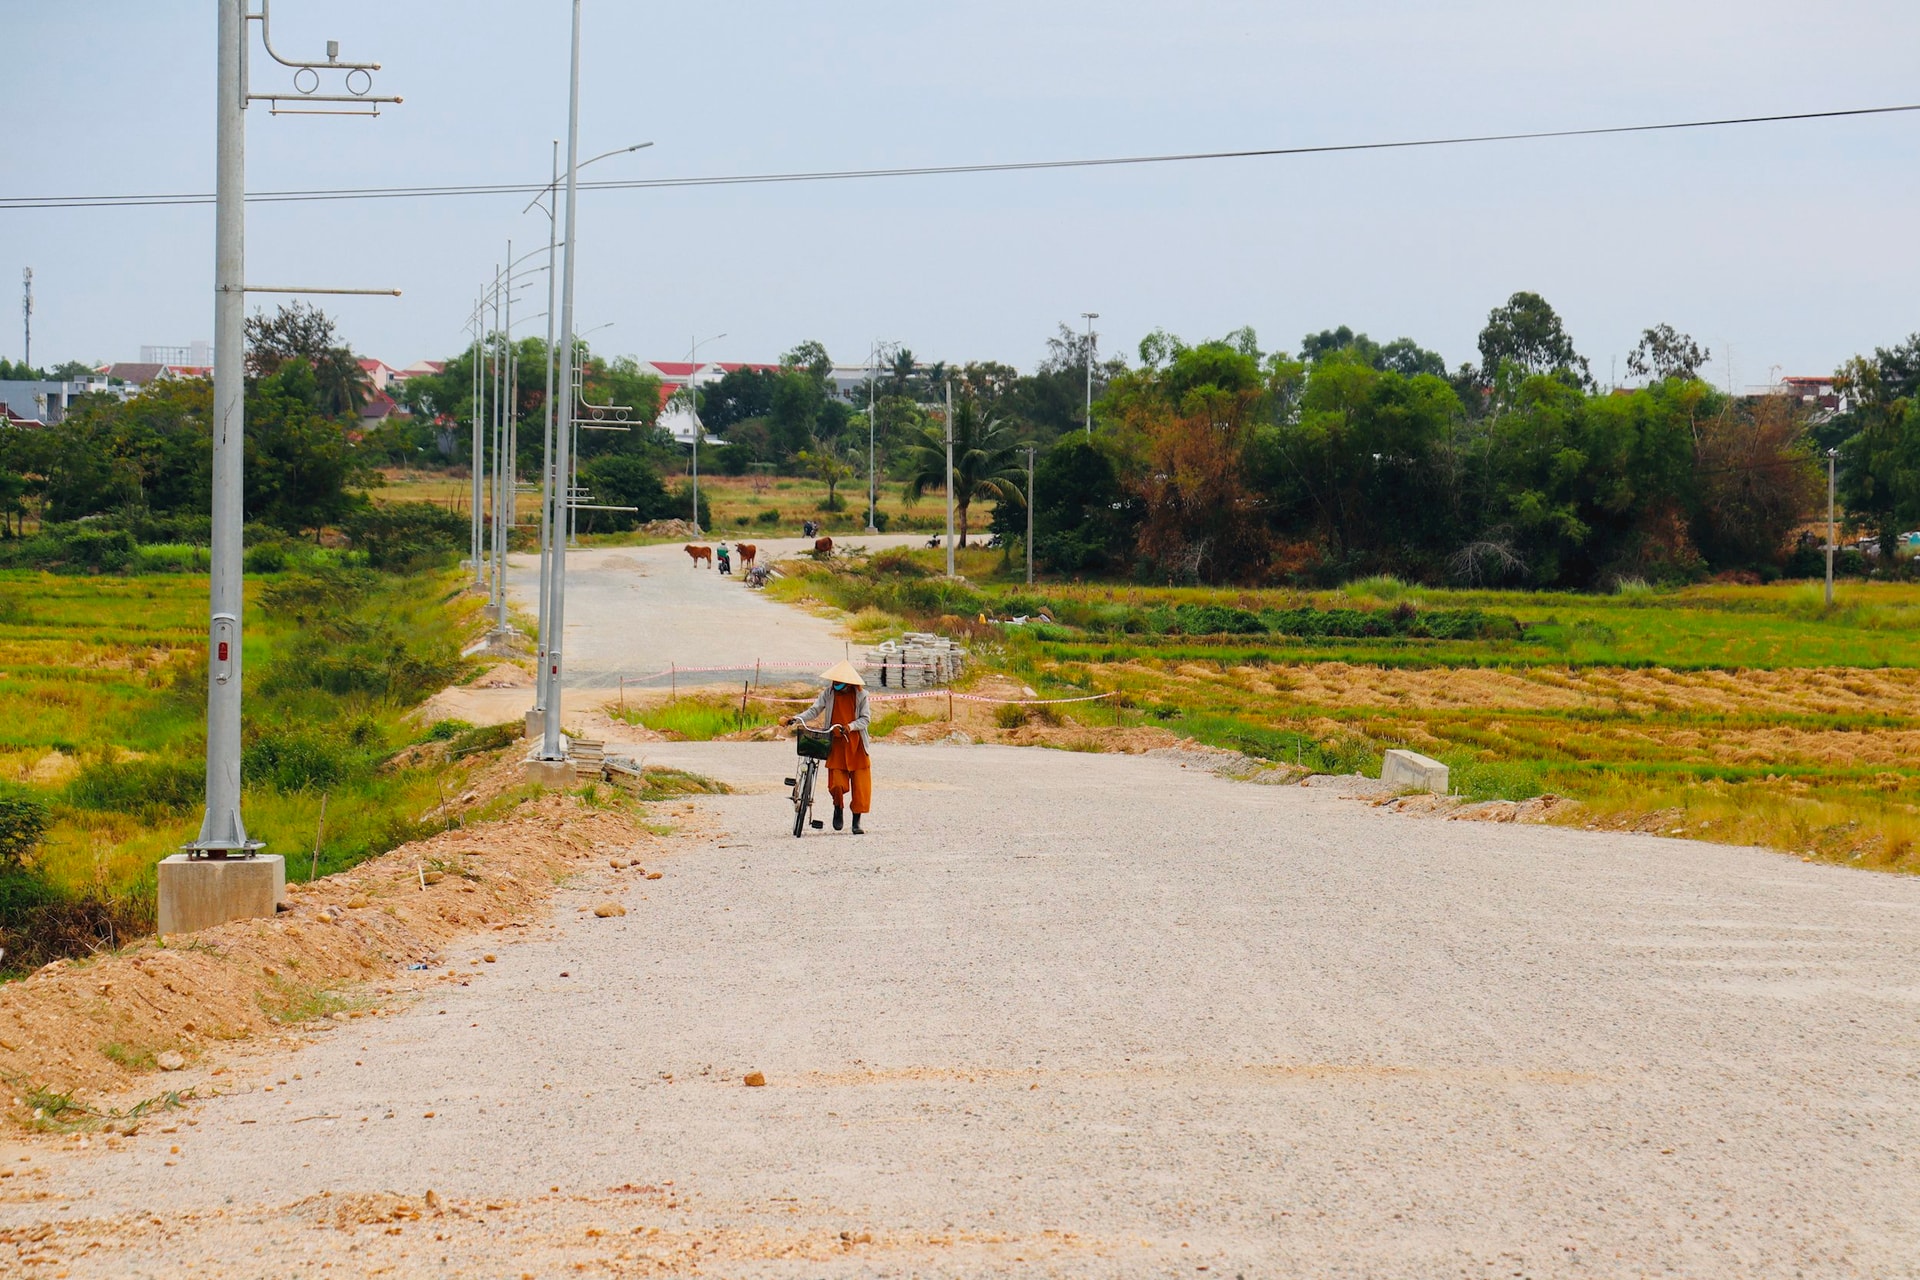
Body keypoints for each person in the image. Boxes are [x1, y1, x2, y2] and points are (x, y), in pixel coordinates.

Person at [788, 660, 871, 833]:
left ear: (849, 682)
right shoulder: (828, 693)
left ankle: (856, 822)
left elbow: (865, 719)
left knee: (861, 787)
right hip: (835, 743)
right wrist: (796, 718)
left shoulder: (861, 696)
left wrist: (850, 726)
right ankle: (838, 808)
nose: (836, 684)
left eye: (839, 682)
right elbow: (814, 710)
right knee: (836, 784)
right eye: (834, 681)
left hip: (856, 745)